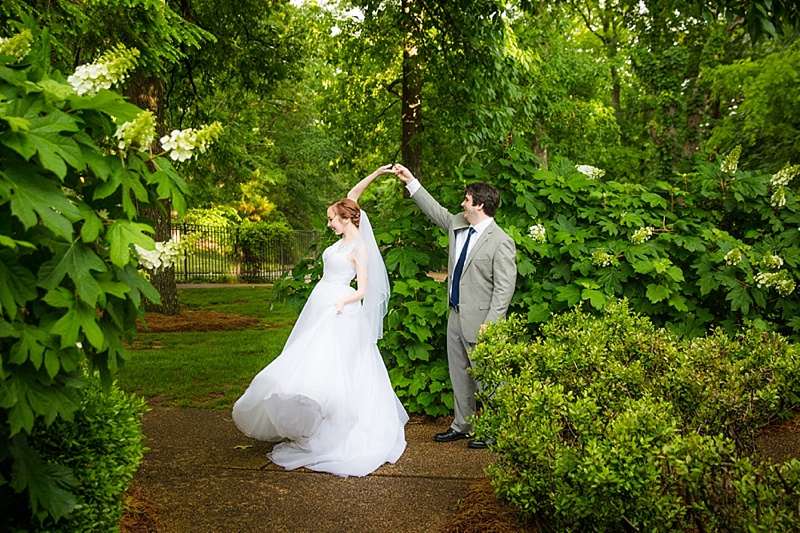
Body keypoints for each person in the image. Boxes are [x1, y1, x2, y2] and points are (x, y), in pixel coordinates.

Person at [232, 165, 408, 477]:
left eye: (331, 218)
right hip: (321, 301)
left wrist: (343, 299)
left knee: (331, 366)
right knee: (307, 357)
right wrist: (377, 174)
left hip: (339, 308)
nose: (328, 223)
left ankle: (334, 425)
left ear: (345, 218)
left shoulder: (359, 247)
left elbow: (364, 290)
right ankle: (308, 416)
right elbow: (353, 195)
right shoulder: (344, 228)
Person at [392, 164, 516, 449]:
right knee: (459, 375)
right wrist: (411, 182)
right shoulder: (458, 225)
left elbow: (504, 287)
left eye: (466, 199)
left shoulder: (501, 242)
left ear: (480, 205)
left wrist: (493, 322)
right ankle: (463, 425)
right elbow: (434, 209)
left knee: (489, 379)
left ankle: (496, 431)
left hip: (483, 321)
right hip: (456, 316)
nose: (462, 203)